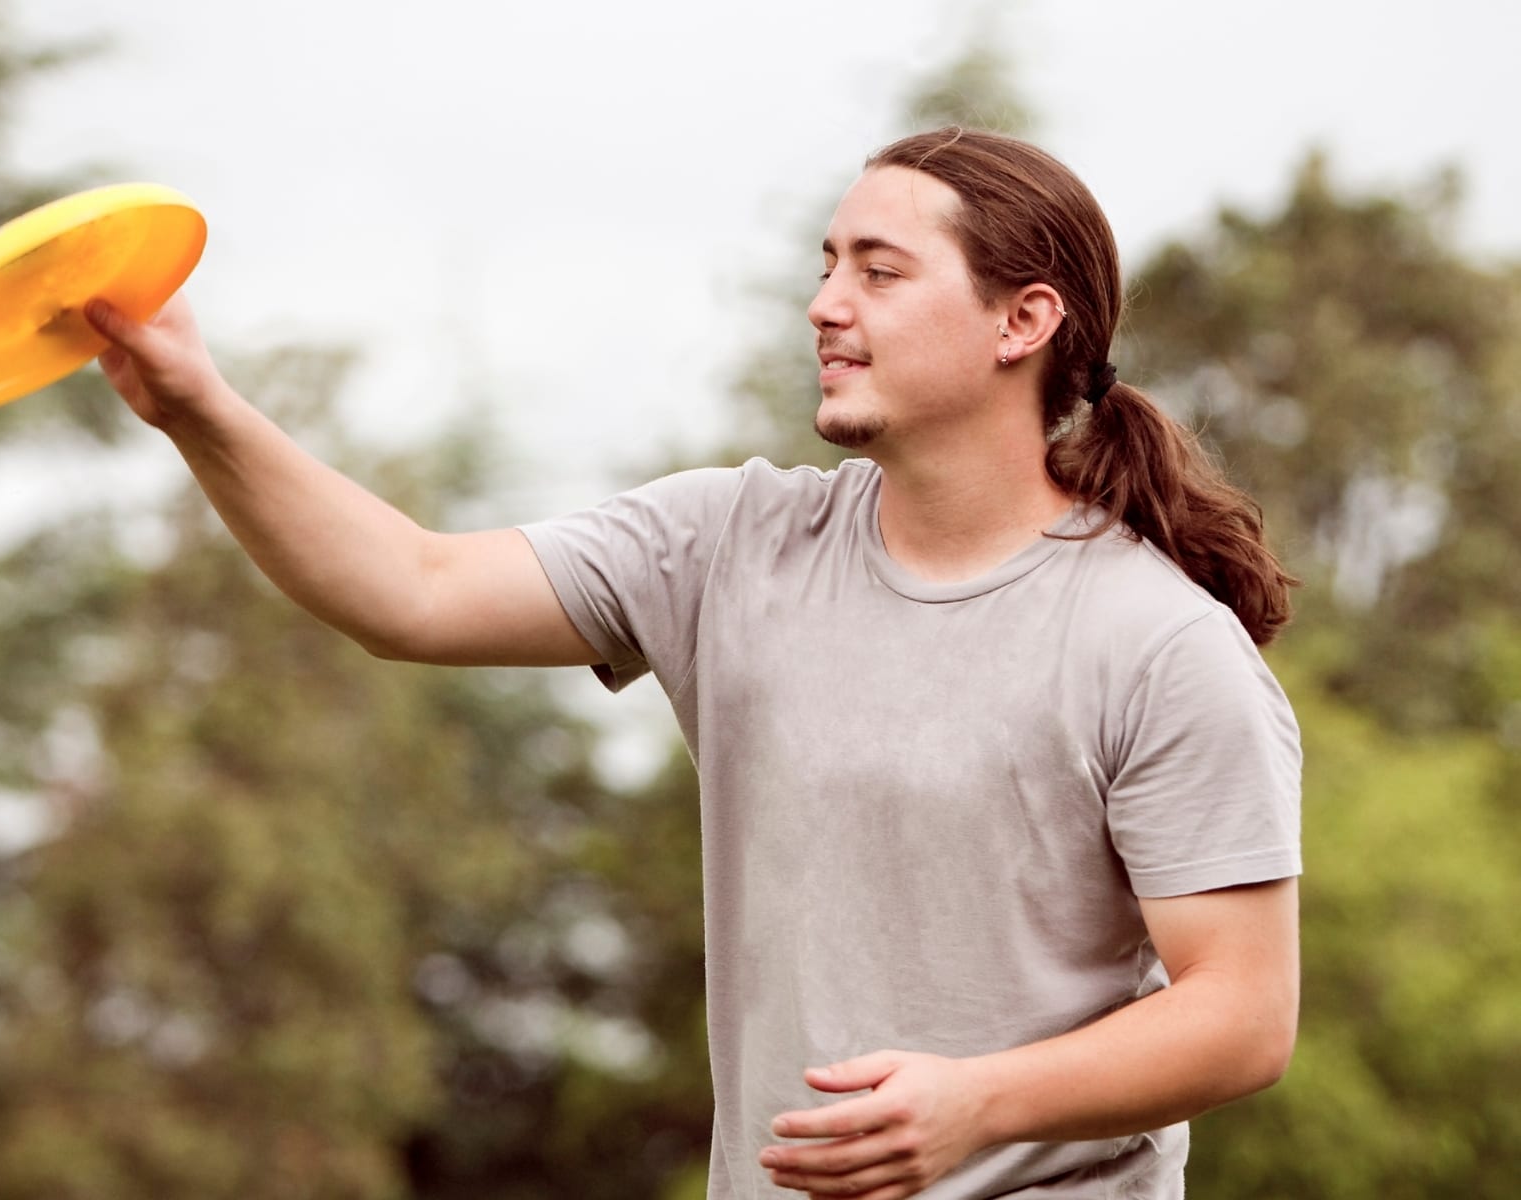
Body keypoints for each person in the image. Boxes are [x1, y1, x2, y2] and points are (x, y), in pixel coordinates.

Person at [83, 127, 1302, 1200]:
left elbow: (1243, 1017)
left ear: (1021, 322)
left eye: (879, 272)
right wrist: (197, 405)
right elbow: (411, 590)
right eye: (827, 265)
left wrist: (981, 1104)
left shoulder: (1159, 646)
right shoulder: (729, 543)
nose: (826, 304)